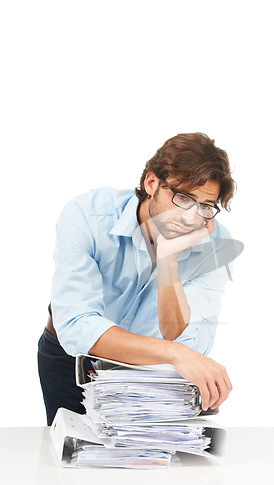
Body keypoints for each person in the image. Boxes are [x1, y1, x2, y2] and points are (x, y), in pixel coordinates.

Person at [38, 132, 239, 426]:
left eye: (205, 205)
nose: (191, 217)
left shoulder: (215, 244)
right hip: (69, 357)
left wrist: (168, 259)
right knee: (73, 461)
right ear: (151, 183)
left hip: (149, 366)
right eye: (183, 197)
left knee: (139, 462)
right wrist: (174, 353)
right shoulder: (87, 215)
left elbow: (190, 341)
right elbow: (76, 325)